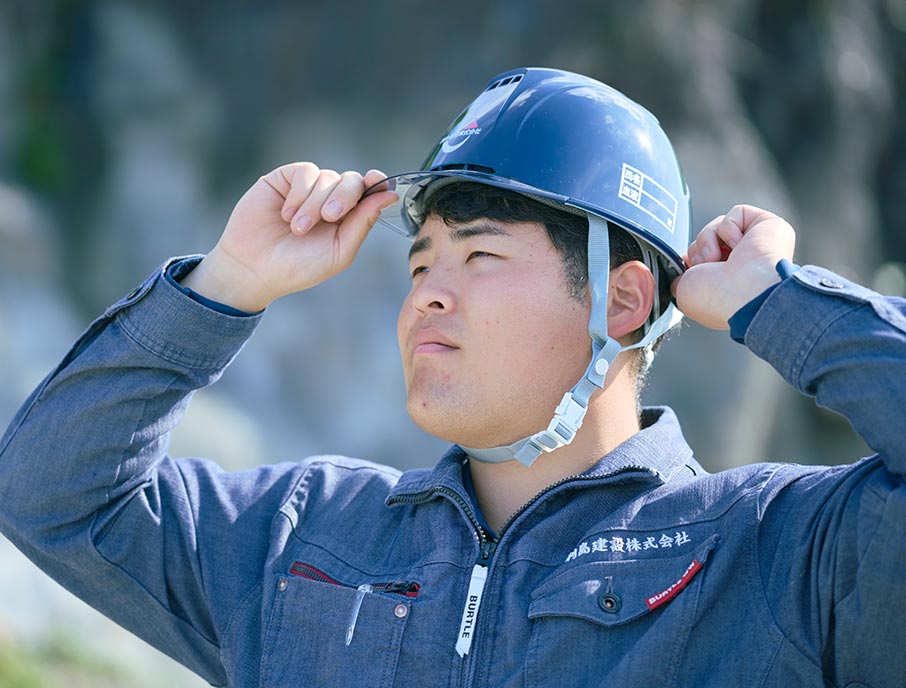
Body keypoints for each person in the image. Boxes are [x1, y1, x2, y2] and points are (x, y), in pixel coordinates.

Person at [0, 67, 903, 687]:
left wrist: (777, 300)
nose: (427, 294)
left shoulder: (775, 555)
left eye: (480, 255)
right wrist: (225, 284)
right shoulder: (297, 538)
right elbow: (50, 491)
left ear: (624, 300)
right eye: (421, 263)